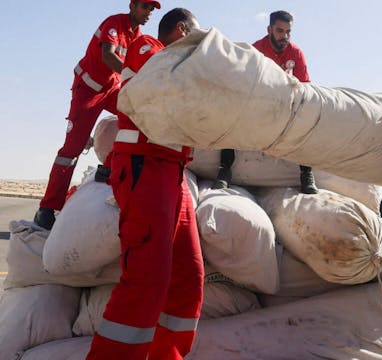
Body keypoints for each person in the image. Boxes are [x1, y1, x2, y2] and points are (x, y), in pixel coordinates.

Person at [86, 8, 204, 359]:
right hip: (145, 166)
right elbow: (161, 85)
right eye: (195, 36)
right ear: (182, 30)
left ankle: (168, 355)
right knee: (147, 279)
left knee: (188, 276)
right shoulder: (147, 48)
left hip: (173, 174)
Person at [34, 0, 161, 230]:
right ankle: (46, 208)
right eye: (145, 7)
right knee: (71, 150)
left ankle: (110, 165)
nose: (148, 13)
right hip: (88, 92)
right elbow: (108, 55)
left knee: (136, 117)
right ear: (132, 6)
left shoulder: (138, 35)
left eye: (152, 9)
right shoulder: (114, 23)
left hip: (111, 90)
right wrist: (133, 75)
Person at [212, 10, 318, 194]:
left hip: (285, 105)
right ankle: (224, 170)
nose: (284, 36)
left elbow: (304, 87)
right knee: (230, 110)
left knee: (308, 113)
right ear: (269, 29)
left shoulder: (296, 53)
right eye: (279, 31)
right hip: (258, 102)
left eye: (288, 32)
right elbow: (243, 82)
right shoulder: (255, 50)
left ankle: (306, 173)